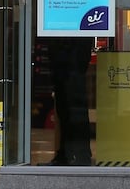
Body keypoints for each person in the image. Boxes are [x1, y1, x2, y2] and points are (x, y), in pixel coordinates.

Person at [46, 37, 93, 166]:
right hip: (61, 61)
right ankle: (65, 154)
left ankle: (81, 155)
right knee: (63, 110)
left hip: (73, 61)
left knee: (76, 109)